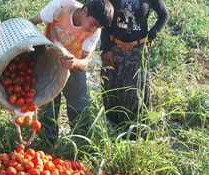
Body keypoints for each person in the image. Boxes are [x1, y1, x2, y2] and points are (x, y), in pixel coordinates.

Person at [30, 0, 114, 145]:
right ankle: (48, 143)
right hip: (49, 62)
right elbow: (32, 22)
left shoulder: (95, 31)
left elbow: (85, 62)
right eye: (93, 24)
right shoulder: (60, 7)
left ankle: (80, 145)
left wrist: (74, 62)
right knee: (48, 102)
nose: (93, 29)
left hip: (72, 66)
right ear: (85, 11)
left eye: (98, 27)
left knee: (79, 106)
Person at [100, 0, 169, 126]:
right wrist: (106, 48)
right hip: (113, 47)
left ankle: (133, 130)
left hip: (137, 50)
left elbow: (164, 14)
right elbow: (103, 15)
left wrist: (151, 35)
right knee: (110, 89)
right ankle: (112, 128)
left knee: (134, 92)